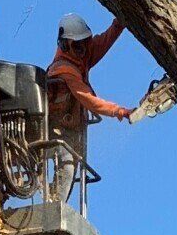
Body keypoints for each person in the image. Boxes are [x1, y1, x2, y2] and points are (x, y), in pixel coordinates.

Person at [43, 12, 138, 199]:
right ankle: (53, 205)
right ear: (65, 44)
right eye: (78, 46)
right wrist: (119, 111)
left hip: (69, 129)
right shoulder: (63, 69)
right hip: (52, 130)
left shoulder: (81, 54)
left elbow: (104, 41)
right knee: (67, 162)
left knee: (72, 162)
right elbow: (89, 100)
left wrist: (120, 22)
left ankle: (54, 200)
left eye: (85, 43)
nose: (84, 49)